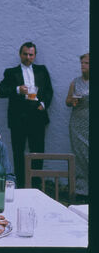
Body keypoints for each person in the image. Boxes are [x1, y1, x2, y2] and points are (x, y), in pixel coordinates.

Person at [0, 41, 53, 188]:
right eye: (25, 54)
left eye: (31, 54)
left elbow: (49, 91)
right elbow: (0, 92)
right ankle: (21, 185)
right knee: (18, 152)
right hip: (18, 118)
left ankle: (36, 185)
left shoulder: (42, 70)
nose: (28, 57)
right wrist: (16, 90)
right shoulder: (11, 72)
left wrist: (43, 105)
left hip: (38, 117)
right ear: (20, 54)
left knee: (38, 152)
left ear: (35, 55)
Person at [65, 53, 89, 202]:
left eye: (86, 63)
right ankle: (82, 191)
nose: (83, 66)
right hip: (78, 124)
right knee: (80, 156)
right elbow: (67, 101)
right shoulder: (75, 82)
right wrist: (72, 100)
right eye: (82, 63)